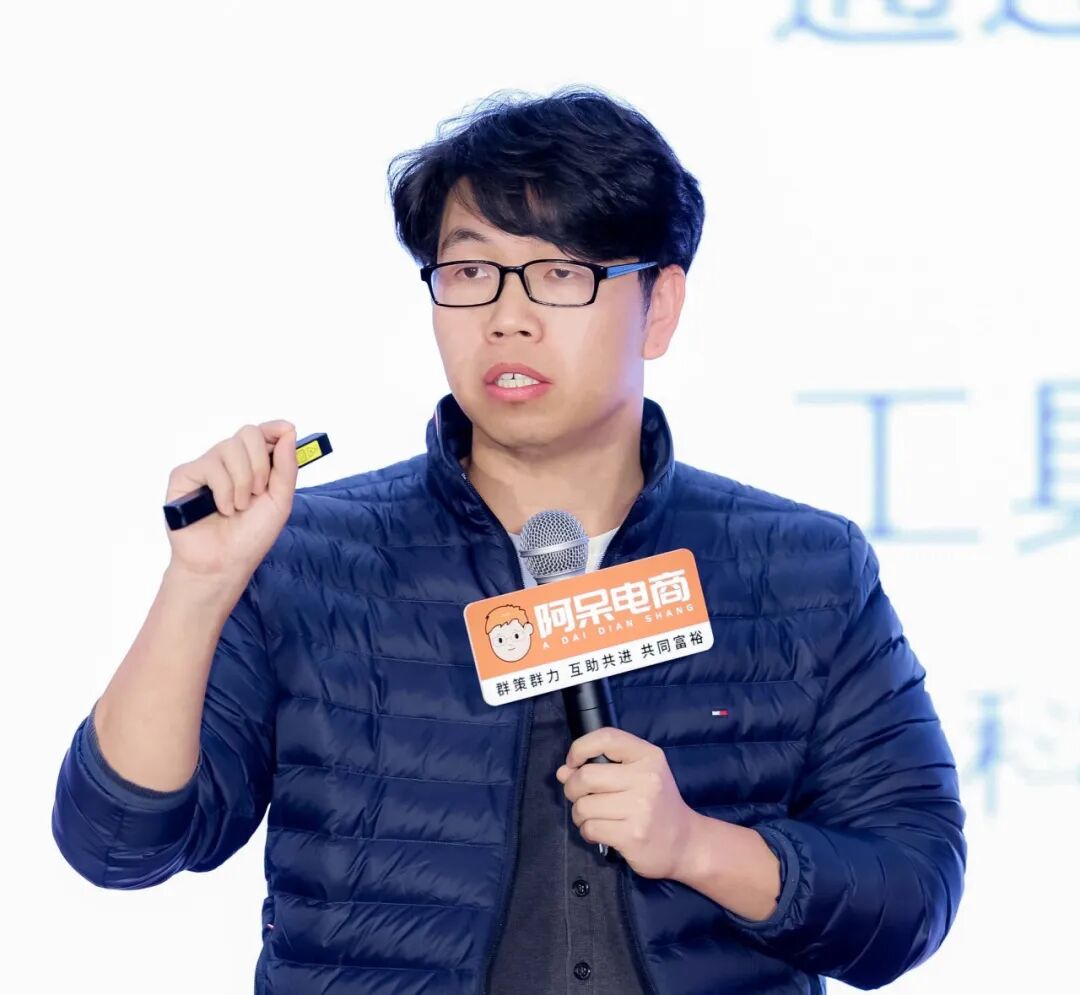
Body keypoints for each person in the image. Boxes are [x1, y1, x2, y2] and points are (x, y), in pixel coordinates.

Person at [51, 84, 966, 994]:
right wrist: (199, 583)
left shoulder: (802, 570)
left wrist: (697, 845)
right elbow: (118, 841)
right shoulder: (308, 558)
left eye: (561, 273)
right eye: (469, 272)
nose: (507, 315)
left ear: (659, 306)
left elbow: (909, 897)